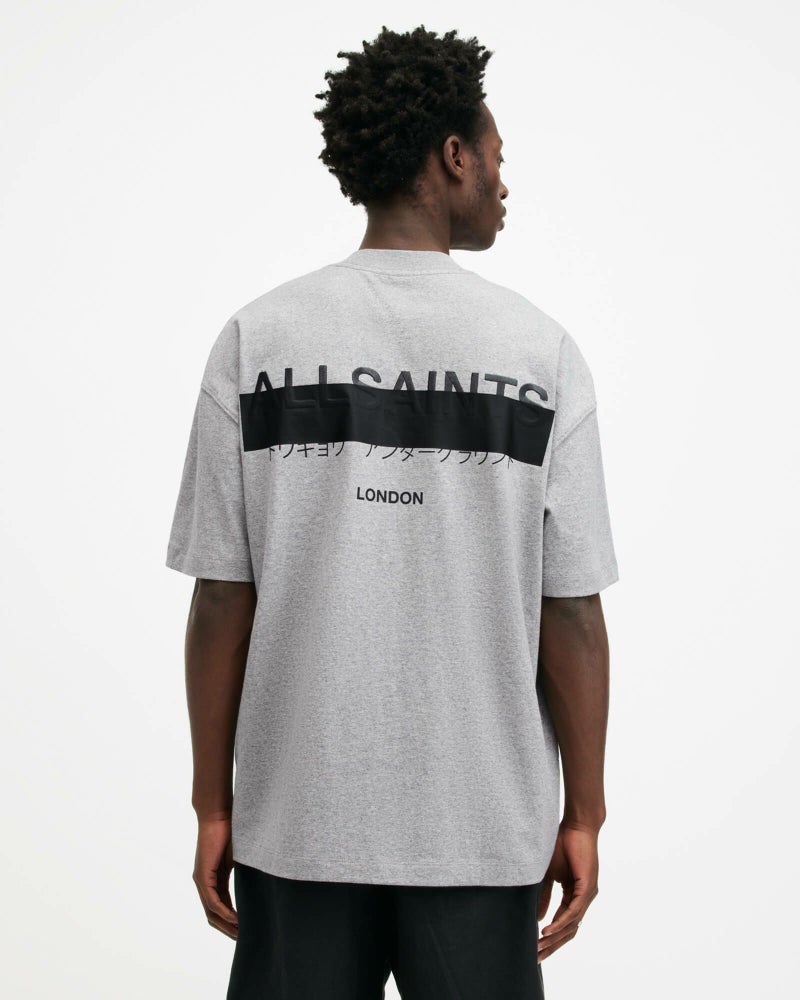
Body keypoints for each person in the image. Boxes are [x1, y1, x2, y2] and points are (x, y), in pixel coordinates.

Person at [165, 23, 619, 1000]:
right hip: (479, 833)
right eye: (496, 156)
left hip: (298, 824)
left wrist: (213, 802)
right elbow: (572, 611)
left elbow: (221, 600)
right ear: (452, 157)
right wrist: (583, 812)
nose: (504, 182)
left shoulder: (258, 338)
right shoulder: (539, 354)